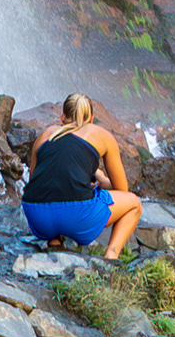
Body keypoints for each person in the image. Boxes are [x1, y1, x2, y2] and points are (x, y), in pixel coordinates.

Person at [20, 93, 141, 258]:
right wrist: (102, 180)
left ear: (62, 118)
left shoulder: (46, 134)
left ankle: (55, 242)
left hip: (37, 217)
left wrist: (92, 176)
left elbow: (35, 181)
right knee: (134, 203)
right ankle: (111, 257)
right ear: (91, 118)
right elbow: (122, 190)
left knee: (53, 190)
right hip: (77, 219)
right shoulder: (101, 135)